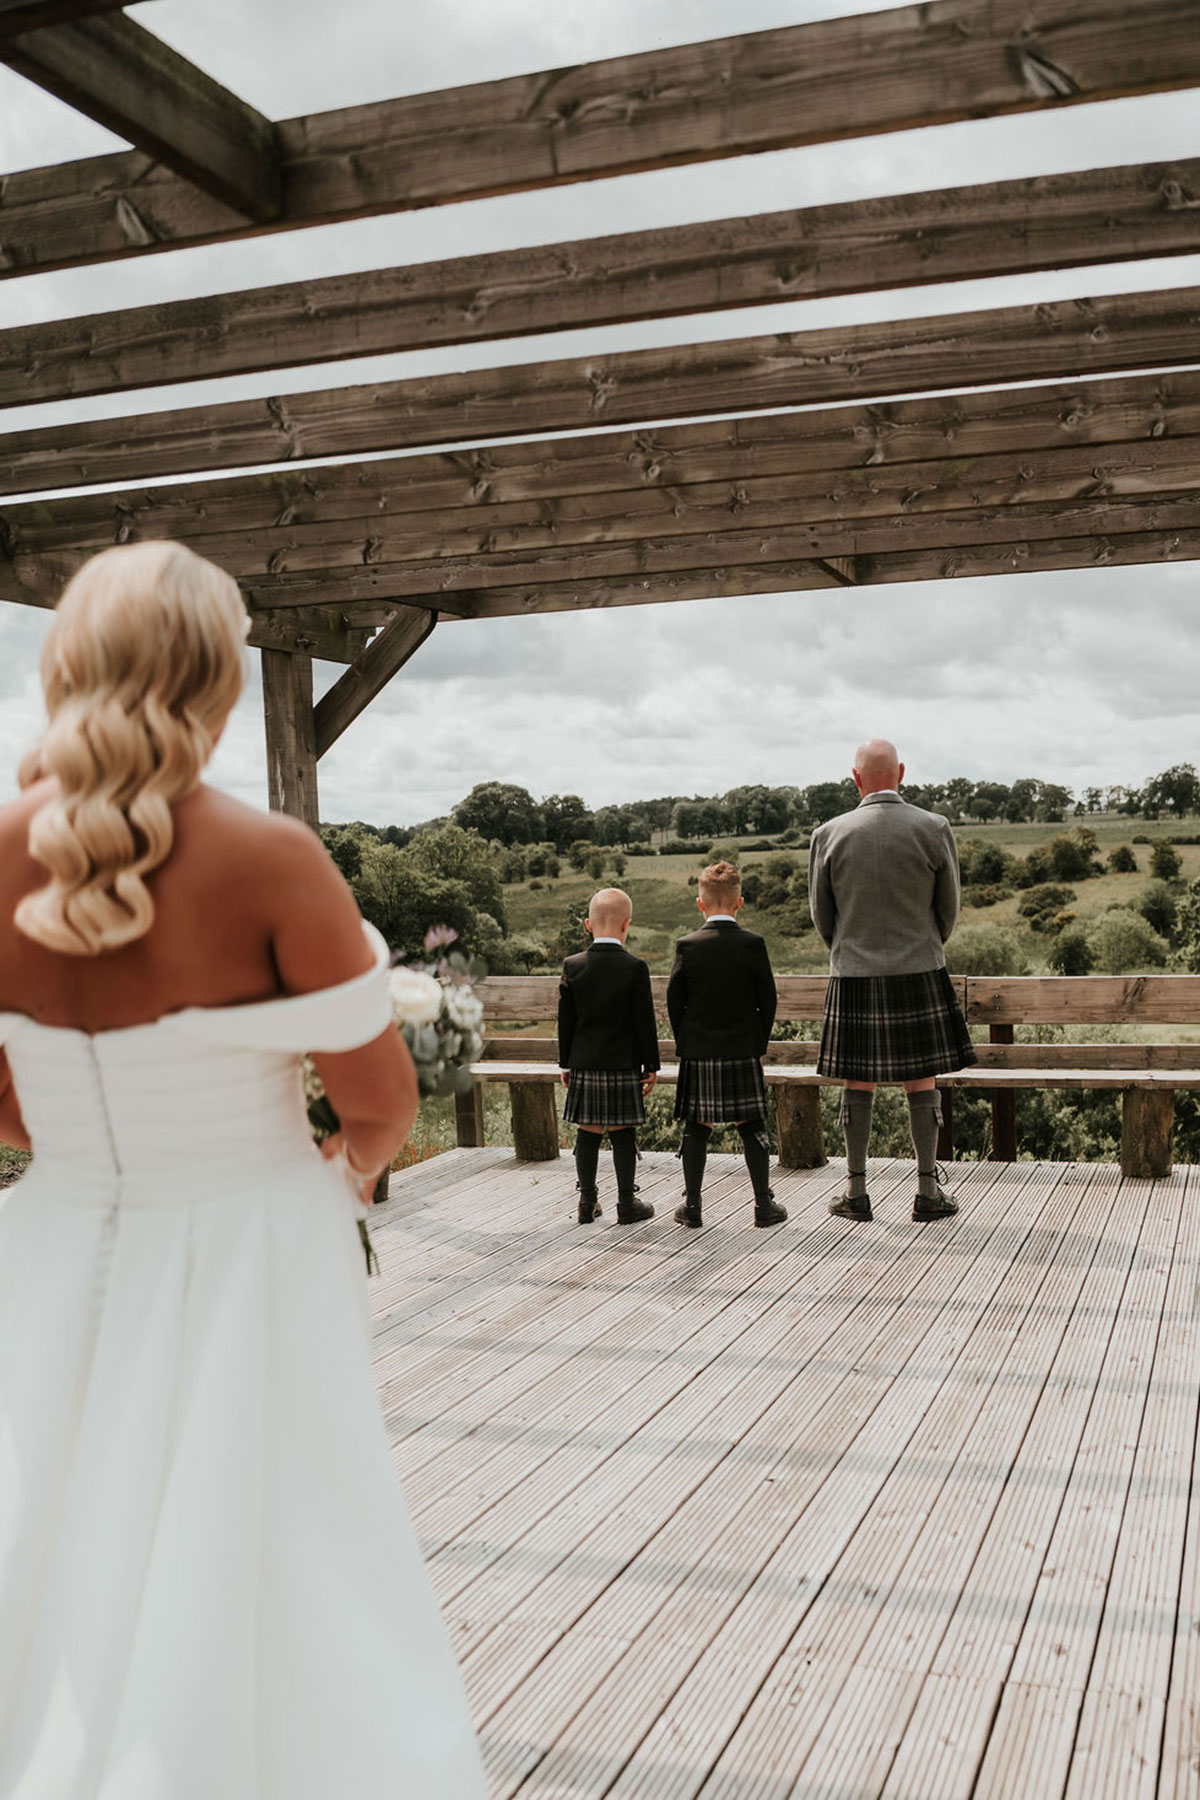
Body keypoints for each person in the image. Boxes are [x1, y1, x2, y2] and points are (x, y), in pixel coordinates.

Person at [0, 543, 487, 1798]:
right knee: (267, 1532)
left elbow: (7, 1118)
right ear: (216, 683)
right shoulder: (271, 859)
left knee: (54, 1517)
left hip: (52, 1239)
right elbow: (378, 1101)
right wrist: (349, 1168)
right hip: (248, 1246)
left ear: (68, 671)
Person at [808, 737, 976, 1224]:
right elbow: (949, 908)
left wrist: (849, 953)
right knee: (921, 1077)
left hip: (855, 972)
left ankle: (856, 1193)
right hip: (919, 967)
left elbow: (823, 916)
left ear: (856, 779)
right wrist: (925, 944)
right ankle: (927, 1192)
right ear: (901, 773)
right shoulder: (933, 827)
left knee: (856, 1079)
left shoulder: (829, 834)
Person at [667, 860, 786, 1230]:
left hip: (699, 1049)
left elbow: (675, 1001)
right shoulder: (753, 944)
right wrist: (756, 1042)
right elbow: (768, 1000)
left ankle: (693, 1206)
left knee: (696, 1127)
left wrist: (686, 1041)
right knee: (752, 1125)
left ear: (700, 903)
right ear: (739, 902)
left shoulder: (687, 946)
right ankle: (764, 1206)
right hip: (741, 1048)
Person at [557, 887, 659, 1225]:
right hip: (623, 1063)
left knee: (588, 1132)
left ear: (588, 924)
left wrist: (565, 1063)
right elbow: (645, 1022)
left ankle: (587, 1203)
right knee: (622, 1131)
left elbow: (566, 1021)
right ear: (626, 925)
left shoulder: (573, 966)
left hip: (585, 1062)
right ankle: (627, 1203)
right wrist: (651, 1066)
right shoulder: (634, 967)